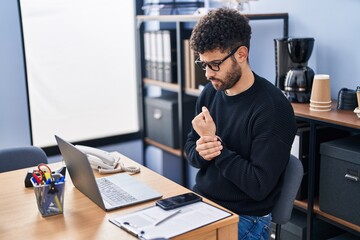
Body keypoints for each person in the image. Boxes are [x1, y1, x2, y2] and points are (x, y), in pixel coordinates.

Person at [184, 8, 297, 240]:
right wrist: (202, 151)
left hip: (246, 216)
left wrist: (216, 148)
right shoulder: (210, 93)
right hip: (203, 204)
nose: (207, 73)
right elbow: (191, 151)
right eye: (202, 64)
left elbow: (258, 186)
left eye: (214, 64)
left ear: (241, 54)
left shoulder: (273, 109)